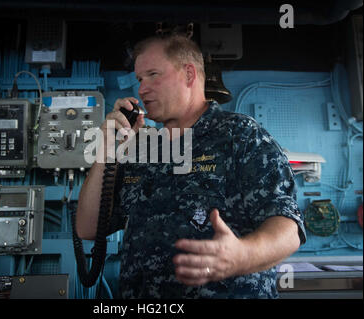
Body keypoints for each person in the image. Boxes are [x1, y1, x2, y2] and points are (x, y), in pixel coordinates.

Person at [76, 34, 306, 298]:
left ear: (188, 75)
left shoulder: (239, 135)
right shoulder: (141, 148)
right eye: (140, 79)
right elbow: (88, 227)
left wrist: (242, 255)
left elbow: (288, 229)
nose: (142, 89)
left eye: (153, 75)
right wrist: (107, 149)